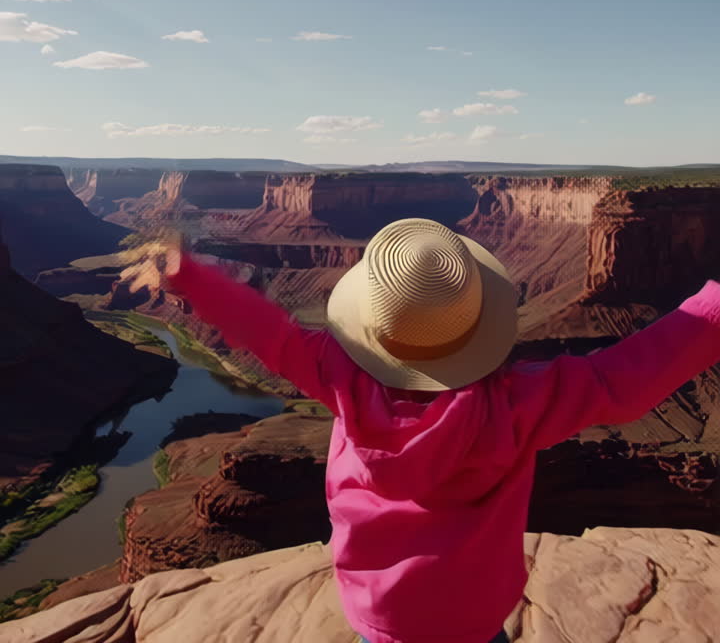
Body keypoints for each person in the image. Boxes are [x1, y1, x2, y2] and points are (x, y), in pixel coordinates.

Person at [121, 218, 720, 643]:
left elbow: (271, 334)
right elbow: (623, 379)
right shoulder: (521, 403)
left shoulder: (340, 377)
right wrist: (713, 306)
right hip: (474, 618)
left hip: (379, 621)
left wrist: (191, 278)